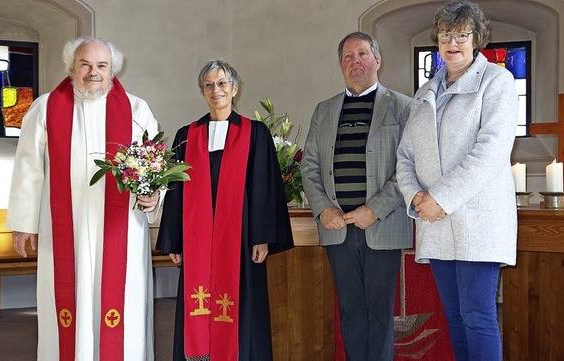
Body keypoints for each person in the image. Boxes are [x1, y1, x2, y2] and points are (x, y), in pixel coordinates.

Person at [7, 37, 161, 360]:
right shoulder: (45, 108)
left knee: (122, 306)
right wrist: (23, 223)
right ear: (72, 67)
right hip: (65, 229)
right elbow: (29, 168)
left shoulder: (136, 110)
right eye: (85, 65)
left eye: (102, 66)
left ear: (112, 70)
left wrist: (153, 195)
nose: (94, 72)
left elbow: (154, 164)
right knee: (67, 305)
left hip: (121, 230)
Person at [395, 1, 518, 360]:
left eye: (461, 34)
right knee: (453, 315)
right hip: (434, 221)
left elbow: (491, 151)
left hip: (477, 221)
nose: (453, 42)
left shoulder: (497, 82)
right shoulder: (425, 92)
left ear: (476, 39)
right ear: (437, 40)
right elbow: (405, 155)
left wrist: (439, 199)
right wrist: (416, 197)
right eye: (446, 34)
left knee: (478, 316)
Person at [156, 59, 294, 361]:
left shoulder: (255, 133)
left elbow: (264, 188)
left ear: (234, 89)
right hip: (198, 240)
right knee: (199, 303)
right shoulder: (187, 135)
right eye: (209, 85)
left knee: (243, 306)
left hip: (241, 240)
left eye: (221, 83)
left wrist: (262, 237)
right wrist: (175, 240)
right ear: (202, 92)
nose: (215, 90)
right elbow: (176, 190)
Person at [300, 31, 413, 361]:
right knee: (350, 313)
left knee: (380, 315)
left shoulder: (402, 107)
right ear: (341, 65)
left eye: (362, 54)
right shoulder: (324, 110)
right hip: (337, 228)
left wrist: (375, 209)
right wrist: (323, 210)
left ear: (377, 60)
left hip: (382, 226)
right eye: (348, 57)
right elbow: (310, 166)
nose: (355, 62)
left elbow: (408, 167)